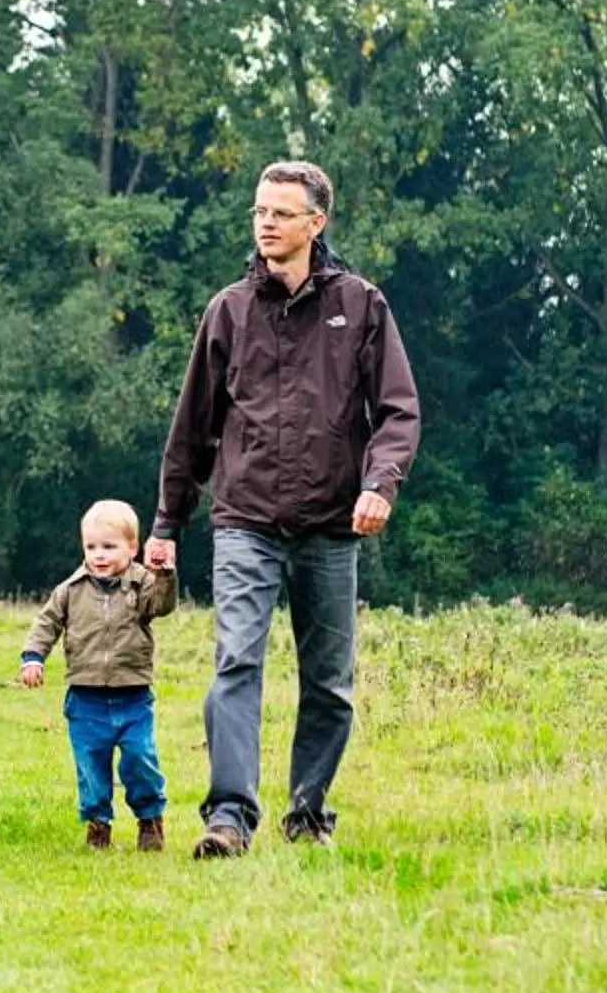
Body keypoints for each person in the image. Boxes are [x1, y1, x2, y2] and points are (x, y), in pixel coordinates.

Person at [149, 160, 419, 858]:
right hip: (244, 518)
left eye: (280, 212)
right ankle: (230, 816)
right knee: (237, 661)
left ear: (315, 223)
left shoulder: (361, 306)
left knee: (329, 680)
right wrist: (167, 524)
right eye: (259, 211)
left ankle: (308, 809)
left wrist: (379, 484)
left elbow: (398, 410)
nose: (266, 222)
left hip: (332, 523)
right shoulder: (228, 311)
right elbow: (192, 427)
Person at [17, 499, 178, 851]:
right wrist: (33, 658)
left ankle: (150, 820)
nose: (99, 555)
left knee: (140, 760)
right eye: (91, 547)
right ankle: (97, 824)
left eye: (109, 546)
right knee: (90, 765)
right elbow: (46, 623)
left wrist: (165, 573)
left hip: (133, 695)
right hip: (85, 697)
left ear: (132, 548)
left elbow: (163, 605)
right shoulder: (70, 590)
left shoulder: (143, 584)